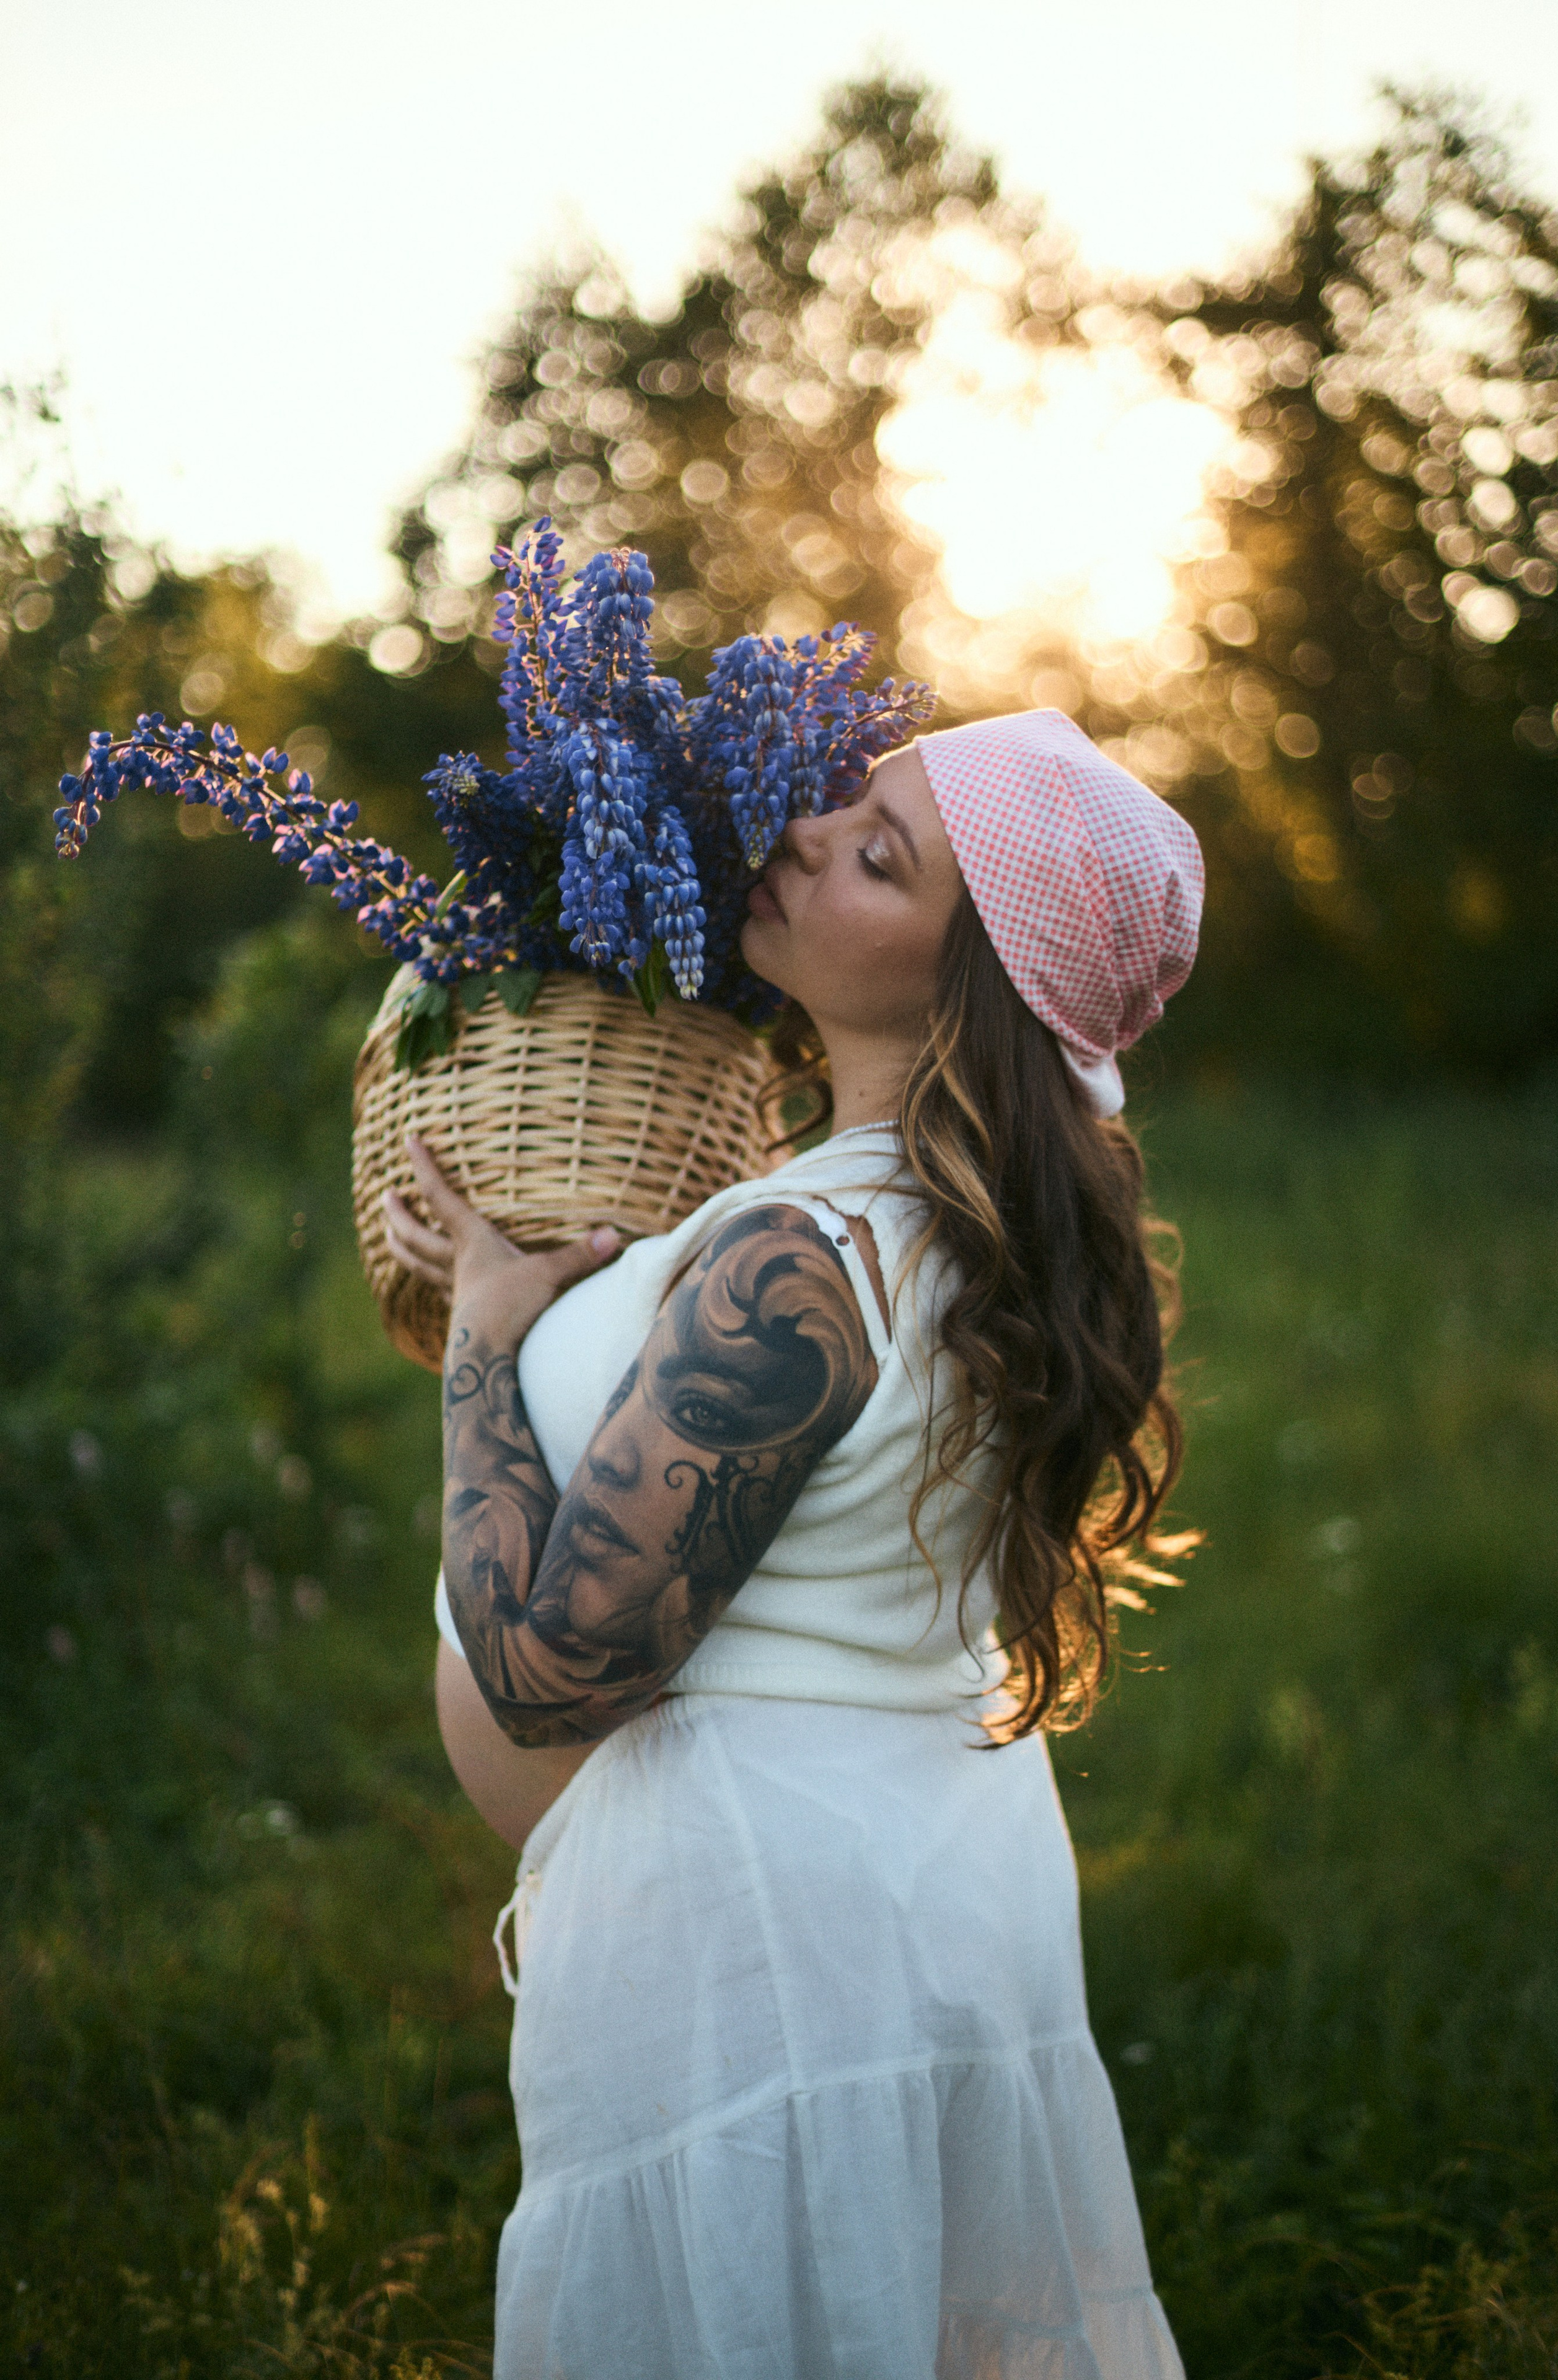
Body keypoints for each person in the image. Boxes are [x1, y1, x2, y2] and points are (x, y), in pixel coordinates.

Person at [382, 708, 1204, 2380]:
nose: (809, 835)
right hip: (911, 1906)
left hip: (764, 1966)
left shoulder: (802, 1259)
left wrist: (482, 1339)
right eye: (847, 805)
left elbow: (546, 1676)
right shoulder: (956, 1226)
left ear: (966, 991)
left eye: (880, 859)